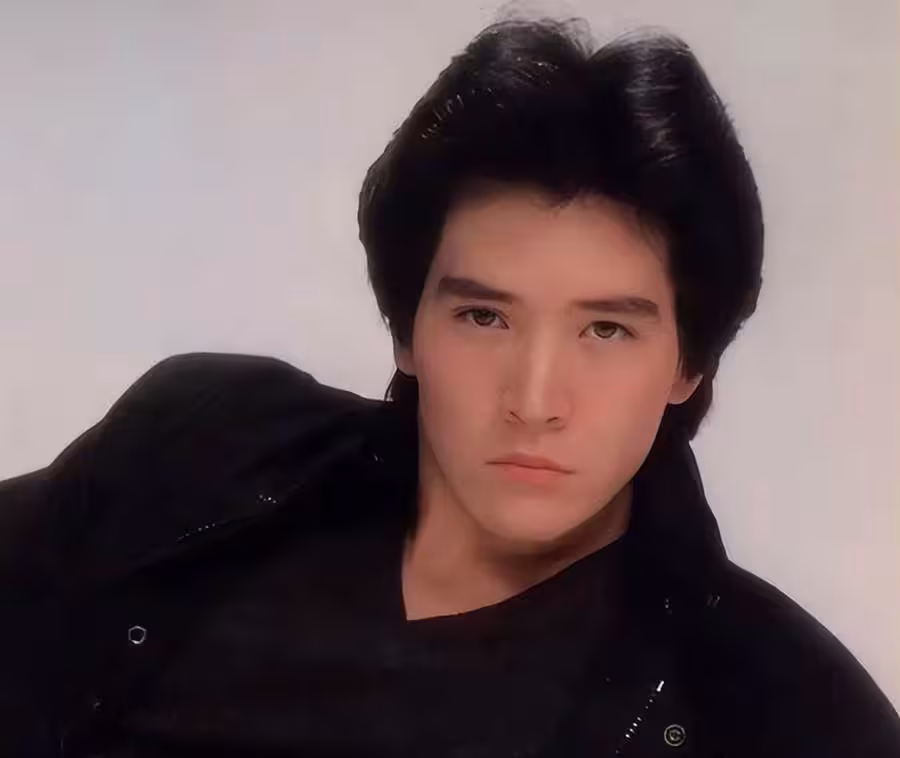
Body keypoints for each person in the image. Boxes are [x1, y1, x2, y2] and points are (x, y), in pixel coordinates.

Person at [1, 17, 897, 758]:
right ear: (408, 330)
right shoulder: (201, 451)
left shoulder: (786, 714)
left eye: (607, 330)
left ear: (687, 365)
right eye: (484, 317)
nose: (534, 401)